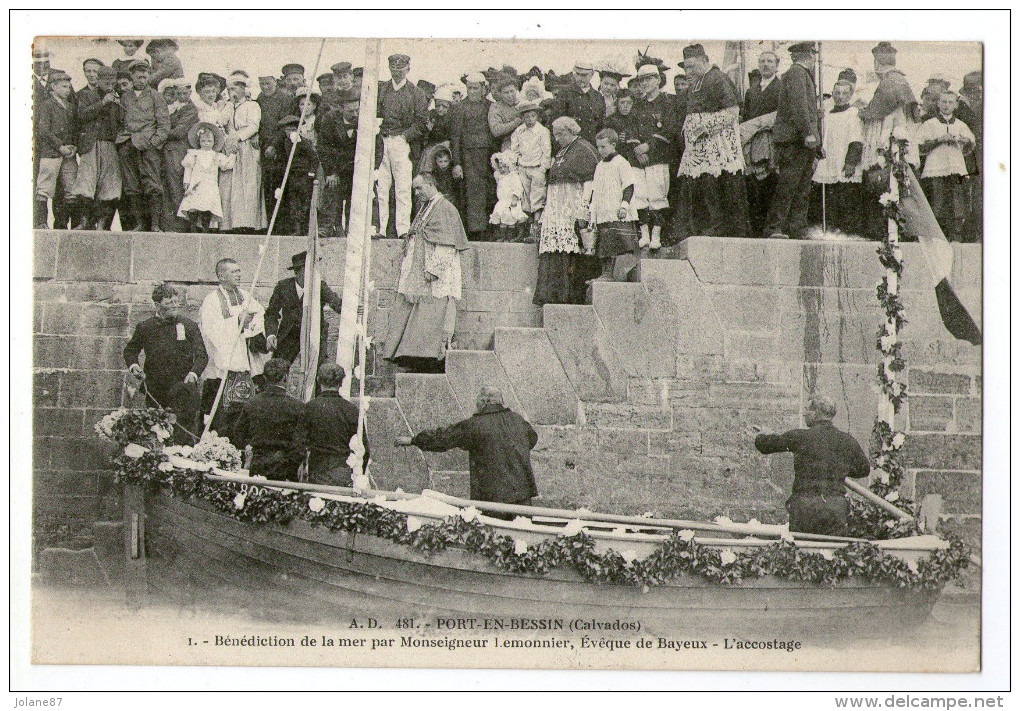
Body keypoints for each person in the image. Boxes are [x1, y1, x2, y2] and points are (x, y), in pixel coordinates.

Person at [395, 386, 539, 512]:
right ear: (501, 401)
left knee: (495, 535)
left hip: (493, 494)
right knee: (523, 538)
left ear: (482, 402)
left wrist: (415, 440)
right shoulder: (517, 419)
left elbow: (444, 438)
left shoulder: (475, 424)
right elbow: (532, 439)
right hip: (522, 493)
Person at [384, 173, 470, 372]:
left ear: (431, 185)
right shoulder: (425, 207)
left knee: (432, 318)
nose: (416, 193)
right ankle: (412, 357)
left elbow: (447, 244)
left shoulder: (445, 208)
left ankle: (429, 358)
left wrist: (434, 269)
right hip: (417, 272)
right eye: (414, 189)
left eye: (419, 188)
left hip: (434, 275)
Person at [754, 396, 869, 536]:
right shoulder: (847, 440)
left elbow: (766, 445)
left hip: (805, 507)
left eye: (807, 410)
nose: (804, 413)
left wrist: (762, 435)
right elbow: (863, 469)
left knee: (804, 551)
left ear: (815, 413)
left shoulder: (800, 437)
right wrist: (837, 468)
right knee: (832, 552)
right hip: (835, 507)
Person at [676, 44, 751, 238]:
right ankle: (704, 227)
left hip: (717, 145)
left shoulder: (718, 78)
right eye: (686, 67)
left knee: (717, 185)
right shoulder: (695, 83)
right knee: (700, 185)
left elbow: (732, 111)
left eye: (692, 66)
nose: (688, 71)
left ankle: (720, 227)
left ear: (705, 60)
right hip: (699, 147)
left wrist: (706, 128)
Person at [124, 282, 206, 440]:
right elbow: (131, 350)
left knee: (183, 433)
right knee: (156, 432)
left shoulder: (189, 326)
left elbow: (202, 355)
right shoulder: (145, 327)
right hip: (156, 389)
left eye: (176, 302)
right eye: (169, 303)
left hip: (183, 389)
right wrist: (134, 366)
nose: (175, 306)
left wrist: (193, 374)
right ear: (157, 304)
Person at [533, 116, 599, 306]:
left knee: (571, 251)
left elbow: (589, 182)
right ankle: (551, 295)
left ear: (570, 131)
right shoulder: (563, 151)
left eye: (559, 134)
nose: (556, 139)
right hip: (556, 209)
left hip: (572, 208)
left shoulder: (584, 149)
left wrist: (582, 209)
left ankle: (568, 296)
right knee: (554, 250)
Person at [199, 258, 269, 432]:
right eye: (234, 272)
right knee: (224, 415)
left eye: (239, 271)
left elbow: (260, 314)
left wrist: (251, 326)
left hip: (247, 360)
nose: (239, 275)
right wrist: (237, 322)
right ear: (221, 275)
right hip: (224, 365)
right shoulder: (212, 301)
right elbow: (210, 330)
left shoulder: (246, 295)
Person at [859, 42, 919, 240]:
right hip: (901, 137)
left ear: (877, 63)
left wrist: (862, 112)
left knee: (888, 184)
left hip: (890, 138)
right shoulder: (901, 80)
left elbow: (876, 112)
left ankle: (888, 230)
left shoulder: (889, 81)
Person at [763, 42, 821, 240]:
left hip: (801, 141)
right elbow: (799, 107)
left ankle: (796, 228)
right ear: (807, 55)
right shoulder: (797, 73)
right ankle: (774, 227)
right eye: (813, 54)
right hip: (796, 141)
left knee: (801, 188)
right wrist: (807, 133)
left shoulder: (799, 74)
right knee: (789, 186)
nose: (814, 58)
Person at [376, 53, 429, 239]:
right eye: (393, 69)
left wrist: (406, 136)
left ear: (408, 69)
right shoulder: (381, 90)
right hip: (382, 140)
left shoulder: (416, 93)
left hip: (401, 141)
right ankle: (380, 229)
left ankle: (403, 229)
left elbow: (422, 122)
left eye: (401, 69)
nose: (397, 73)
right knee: (381, 187)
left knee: (403, 187)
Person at [230, 358, 305, 482]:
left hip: (259, 465)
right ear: (286, 378)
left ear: (265, 377)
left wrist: (252, 446)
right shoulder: (297, 406)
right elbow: (300, 443)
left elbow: (239, 433)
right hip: (286, 470)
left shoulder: (252, 403)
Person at [116, 59, 170, 232]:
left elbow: (164, 124)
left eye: (144, 76)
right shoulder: (126, 97)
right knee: (131, 185)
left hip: (148, 146)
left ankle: (154, 224)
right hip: (128, 143)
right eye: (138, 76)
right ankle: (139, 223)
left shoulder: (156, 96)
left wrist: (155, 142)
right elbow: (121, 120)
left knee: (153, 184)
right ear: (132, 77)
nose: (141, 79)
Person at [631, 62, 679, 250]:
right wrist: (637, 149)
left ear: (658, 79)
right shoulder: (638, 105)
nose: (645, 83)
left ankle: (656, 235)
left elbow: (670, 128)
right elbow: (631, 128)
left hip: (659, 156)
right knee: (641, 195)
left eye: (649, 78)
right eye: (642, 80)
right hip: (640, 159)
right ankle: (644, 234)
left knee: (658, 196)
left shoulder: (668, 102)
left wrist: (648, 146)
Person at [265, 250, 344, 366]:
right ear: (297, 272)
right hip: (290, 335)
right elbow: (271, 313)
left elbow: (336, 303)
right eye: (308, 270)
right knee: (278, 367)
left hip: (314, 334)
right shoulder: (283, 287)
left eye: (314, 270)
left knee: (319, 368)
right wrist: (271, 334)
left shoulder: (320, 286)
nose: (313, 274)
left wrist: (353, 309)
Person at [917, 91, 975, 242]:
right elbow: (920, 146)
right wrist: (939, 139)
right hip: (936, 167)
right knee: (938, 199)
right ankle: (937, 235)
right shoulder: (930, 124)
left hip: (955, 166)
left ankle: (956, 234)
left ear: (955, 105)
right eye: (943, 102)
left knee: (957, 198)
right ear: (938, 104)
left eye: (950, 102)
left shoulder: (961, 125)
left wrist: (964, 140)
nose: (947, 106)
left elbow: (970, 144)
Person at [69, 64, 122, 230]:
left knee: (110, 185)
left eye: (112, 80)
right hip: (91, 144)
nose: (109, 83)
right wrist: (102, 103)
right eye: (105, 79)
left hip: (110, 145)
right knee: (86, 183)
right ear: (97, 80)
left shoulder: (118, 97)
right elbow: (81, 115)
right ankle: (84, 222)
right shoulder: (85, 95)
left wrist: (118, 105)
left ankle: (103, 224)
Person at [809, 80, 864, 236]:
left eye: (844, 93)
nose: (840, 97)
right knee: (829, 198)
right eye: (837, 93)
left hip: (844, 159)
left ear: (850, 95)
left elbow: (856, 139)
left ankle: (848, 233)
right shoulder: (826, 114)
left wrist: (850, 162)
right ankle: (831, 231)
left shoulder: (853, 113)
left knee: (846, 198)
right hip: (829, 160)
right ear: (832, 94)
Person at [302, 364, 370, 486]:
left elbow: (299, 444)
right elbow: (364, 448)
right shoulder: (351, 410)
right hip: (343, 472)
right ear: (341, 383)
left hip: (317, 471)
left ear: (318, 380)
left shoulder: (309, 408)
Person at [587, 128, 640, 282]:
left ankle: (609, 274)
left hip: (615, 211)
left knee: (614, 242)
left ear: (613, 145)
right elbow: (595, 189)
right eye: (598, 147)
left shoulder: (621, 162)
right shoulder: (599, 166)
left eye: (603, 147)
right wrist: (592, 210)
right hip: (602, 211)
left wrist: (624, 206)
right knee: (603, 242)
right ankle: (605, 274)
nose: (600, 150)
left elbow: (629, 185)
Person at [450, 73, 497, 241]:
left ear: (483, 88)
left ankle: (490, 230)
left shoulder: (491, 106)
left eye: (475, 88)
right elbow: (455, 136)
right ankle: (474, 231)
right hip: (468, 156)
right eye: (469, 88)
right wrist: (456, 163)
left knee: (490, 191)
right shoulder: (460, 107)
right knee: (472, 193)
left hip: (489, 156)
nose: (472, 91)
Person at [219, 73, 266, 233]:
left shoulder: (252, 106)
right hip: (231, 147)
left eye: (235, 88)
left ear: (243, 89)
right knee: (229, 185)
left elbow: (253, 126)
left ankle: (247, 223)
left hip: (246, 147)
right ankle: (229, 223)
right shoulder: (228, 106)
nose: (232, 92)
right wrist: (227, 137)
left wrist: (237, 137)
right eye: (229, 89)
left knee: (247, 184)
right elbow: (221, 122)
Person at [741, 51, 782, 236]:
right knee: (753, 184)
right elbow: (747, 117)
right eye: (762, 61)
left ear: (776, 65)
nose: (766, 65)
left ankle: (770, 228)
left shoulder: (781, 87)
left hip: (771, 141)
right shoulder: (751, 91)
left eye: (770, 61)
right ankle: (756, 230)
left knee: (770, 181)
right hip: (752, 142)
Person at [34, 70, 78, 230]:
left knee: (71, 189)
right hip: (51, 153)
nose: (67, 90)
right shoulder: (47, 105)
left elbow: (74, 129)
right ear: (53, 87)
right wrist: (60, 146)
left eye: (68, 87)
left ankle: (65, 225)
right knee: (44, 188)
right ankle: (40, 223)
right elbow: (44, 130)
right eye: (63, 86)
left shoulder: (71, 107)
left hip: (68, 154)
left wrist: (73, 145)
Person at [317, 88, 361, 231]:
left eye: (356, 110)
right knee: (331, 187)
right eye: (350, 111)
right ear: (341, 109)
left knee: (358, 197)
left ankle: (353, 228)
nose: (354, 114)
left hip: (356, 167)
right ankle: (327, 227)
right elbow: (323, 148)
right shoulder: (329, 120)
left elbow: (378, 145)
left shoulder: (364, 119)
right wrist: (330, 172)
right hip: (337, 167)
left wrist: (374, 169)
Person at [178, 122, 233, 231]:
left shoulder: (216, 156)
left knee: (207, 206)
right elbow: (188, 168)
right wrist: (186, 181)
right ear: (199, 141)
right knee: (193, 205)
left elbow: (226, 165)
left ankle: (205, 227)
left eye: (209, 141)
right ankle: (193, 227)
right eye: (203, 141)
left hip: (209, 185)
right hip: (196, 183)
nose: (206, 143)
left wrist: (232, 155)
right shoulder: (194, 154)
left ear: (214, 142)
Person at [509, 99, 552, 237]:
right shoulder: (518, 131)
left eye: (532, 116)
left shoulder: (542, 131)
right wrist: (516, 166)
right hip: (523, 168)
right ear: (522, 117)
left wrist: (543, 169)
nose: (530, 119)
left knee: (537, 197)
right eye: (526, 116)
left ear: (537, 116)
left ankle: (537, 229)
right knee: (524, 197)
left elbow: (547, 152)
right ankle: (525, 230)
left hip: (537, 168)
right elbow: (514, 150)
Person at [161, 78, 198, 230]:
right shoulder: (172, 107)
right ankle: (169, 224)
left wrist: (160, 132)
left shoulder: (190, 109)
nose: (182, 96)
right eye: (179, 93)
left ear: (190, 92)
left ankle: (181, 225)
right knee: (167, 186)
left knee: (176, 185)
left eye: (185, 93)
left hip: (178, 150)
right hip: (167, 150)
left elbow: (179, 131)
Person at [271, 114, 318, 235]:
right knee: (294, 202)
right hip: (292, 176)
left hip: (303, 176)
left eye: (293, 129)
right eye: (287, 130)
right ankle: (296, 228)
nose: (290, 132)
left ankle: (305, 229)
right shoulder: (285, 143)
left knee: (304, 201)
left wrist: (311, 173)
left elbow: (314, 158)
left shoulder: (304, 142)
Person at [256, 74, 292, 221]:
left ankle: (281, 225)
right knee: (267, 187)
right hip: (263, 147)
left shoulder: (285, 99)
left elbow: (284, 125)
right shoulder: (259, 99)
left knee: (280, 185)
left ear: (275, 82)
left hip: (279, 148)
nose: (265, 87)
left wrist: (274, 145)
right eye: (262, 83)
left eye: (268, 83)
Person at [546, 61, 605, 144]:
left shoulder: (598, 97)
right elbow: (555, 122)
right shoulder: (565, 93)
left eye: (584, 75)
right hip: (570, 146)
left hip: (591, 146)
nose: (580, 78)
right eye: (577, 74)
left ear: (591, 75)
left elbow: (600, 127)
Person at [489, 151, 527, 241]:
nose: (502, 169)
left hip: (511, 201)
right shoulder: (500, 177)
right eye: (500, 167)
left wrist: (515, 198)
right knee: (502, 218)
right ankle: (503, 236)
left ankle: (512, 236)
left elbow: (518, 188)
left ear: (509, 166)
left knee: (512, 218)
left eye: (504, 167)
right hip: (502, 202)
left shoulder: (513, 176)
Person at [488, 75, 522, 152]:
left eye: (512, 91)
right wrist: (515, 123)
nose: (510, 95)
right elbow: (496, 130)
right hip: (507, 146)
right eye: (506, 93)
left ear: (516, 90)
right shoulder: (496, 107)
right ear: (500, 94)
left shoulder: (522, 103)